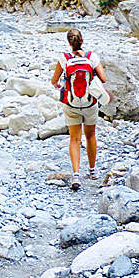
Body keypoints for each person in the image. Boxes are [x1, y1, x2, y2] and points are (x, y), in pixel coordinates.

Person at [50, 28, 111, 190]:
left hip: (71, 104)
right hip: (90, 103)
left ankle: (76, 175)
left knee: (74, 138)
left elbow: (54, 80)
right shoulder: (91, 57)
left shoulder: (64, 59)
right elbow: (103, 79)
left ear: (68, 42)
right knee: (90, 136)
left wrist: (60, 84)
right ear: (82, 40)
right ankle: (92, 171)